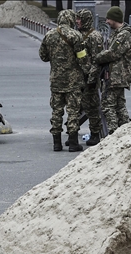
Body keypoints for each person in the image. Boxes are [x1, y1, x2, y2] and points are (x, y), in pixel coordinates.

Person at [39, 9, 88, 152]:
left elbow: (43, 56)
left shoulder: (49, 35)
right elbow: (82, 58)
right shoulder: (76, 36)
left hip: (56, 80)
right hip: (73, 81)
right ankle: (73, 142)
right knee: (73, 111)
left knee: (56, 111)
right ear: (71, 20)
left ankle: (56, 143)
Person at [95, 6, 131, 135]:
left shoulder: (124, 35)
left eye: (108, 19)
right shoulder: (118, 33)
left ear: (114, 19)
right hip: (117, 76)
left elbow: (113, 53)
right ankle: (126, 133)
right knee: (119, 106)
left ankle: (113, 134)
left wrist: (97, 57)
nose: (106, 21)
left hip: (116, 76)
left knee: (108, 105)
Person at [77, 9, 105, 146]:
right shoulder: (79, 35)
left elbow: (97, 60)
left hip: (90, 78)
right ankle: (72, 134)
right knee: (77, 106)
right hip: (79, 78)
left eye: (79, 19)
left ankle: (95, 134)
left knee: (92, 107)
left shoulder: (95, 36)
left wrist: (92, 79)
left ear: (86, 20)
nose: (77, 21)